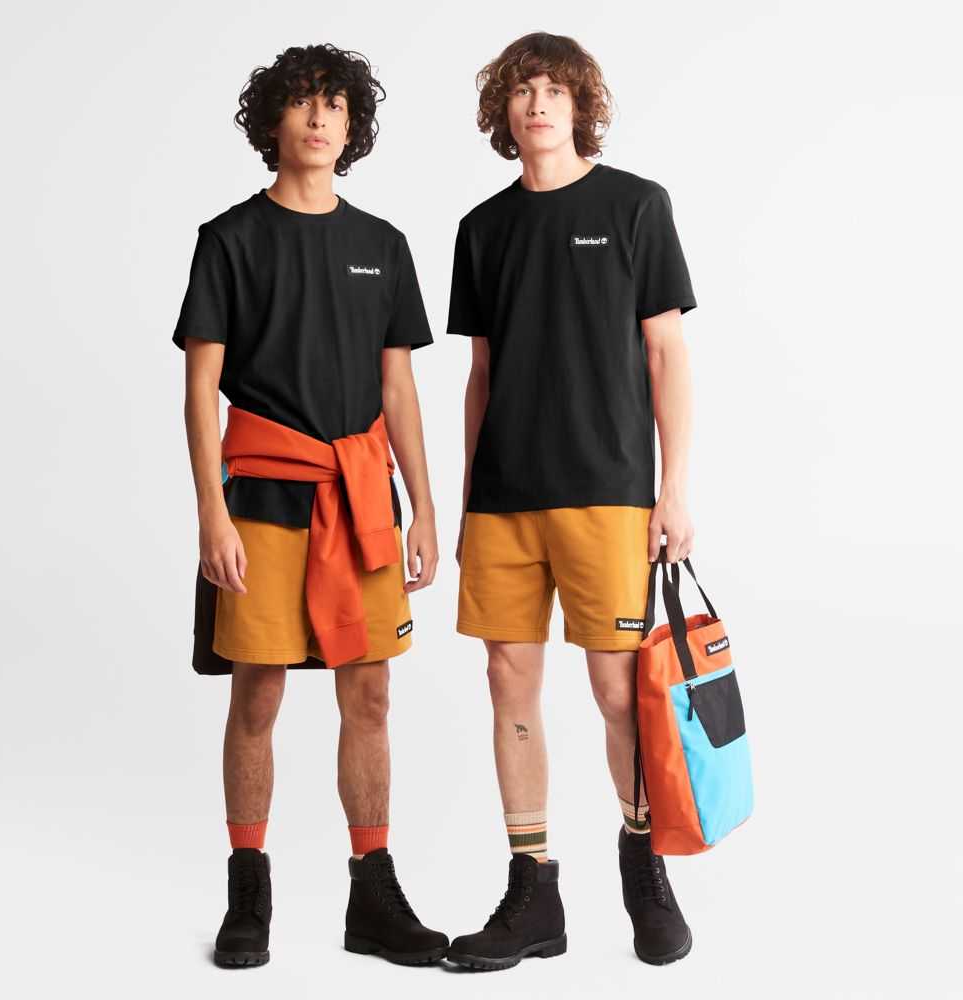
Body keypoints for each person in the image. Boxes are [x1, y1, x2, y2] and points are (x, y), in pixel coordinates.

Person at [171, 43, 447, 968]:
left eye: (335, 104)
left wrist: (424, 508)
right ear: (273, 123)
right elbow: (199, 391)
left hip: (364, 497)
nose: (320, 117)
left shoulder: (383, 246)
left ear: (352, 126)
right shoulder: (229, 240)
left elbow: (398, 390)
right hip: (260, 498)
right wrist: (210, 514)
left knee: (369, 692)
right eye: (301, 102)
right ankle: (248, 889)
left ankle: (373, 892)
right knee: (258, 690)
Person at [445, 32, 698, 970]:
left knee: (617, 690)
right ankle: (533, 890)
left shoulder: (636, 205)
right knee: (507, 680)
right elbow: (480, 375)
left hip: (609, 492)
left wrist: (674, 489)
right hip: (505, 499)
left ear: (580, 105)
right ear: (502, 112)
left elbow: (666, 353)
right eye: (521, 91)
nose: (537, 104)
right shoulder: (482, 228)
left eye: (554, 89)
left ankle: (643, 862)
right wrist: (467, 504)